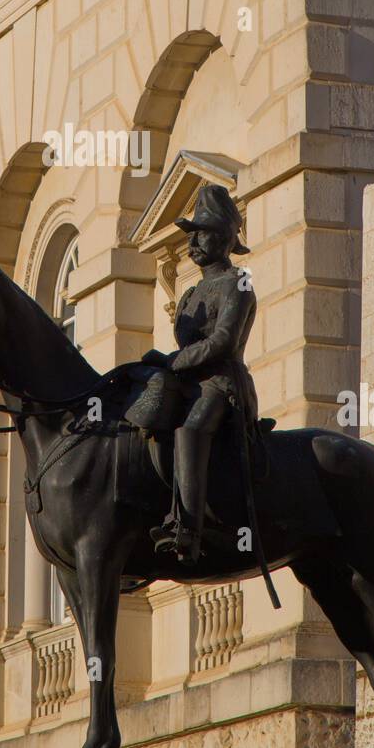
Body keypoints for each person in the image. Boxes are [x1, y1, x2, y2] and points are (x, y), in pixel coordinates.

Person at [145, 184, 261, 562]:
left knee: (191, 429)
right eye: (190, 233)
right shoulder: (191, 295)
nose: (192, 241)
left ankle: (188, 529)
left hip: (221, 384)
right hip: (188, 384)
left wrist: (174, 361)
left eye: (202, 231)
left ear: (226, 237)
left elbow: (224, 342)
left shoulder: (237, 284)